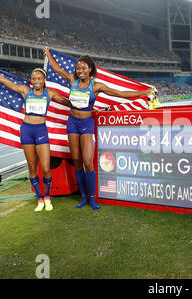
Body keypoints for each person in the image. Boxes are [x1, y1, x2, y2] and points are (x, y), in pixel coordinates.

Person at [43, 47, 153, 210]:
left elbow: (120, 94)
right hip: (72, 123)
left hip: (86, 124)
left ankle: (93, 199)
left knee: (88, 161)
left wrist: (145, 91)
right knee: (78, 161)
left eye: (83, 68)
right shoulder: (73, 80)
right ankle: (83, 198)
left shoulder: (96, 86)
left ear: (90, 70)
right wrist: (48, 54)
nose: (80, 71)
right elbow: (57, 69)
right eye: (78, 68)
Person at [0, 55, 70, 212]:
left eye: (39, 78)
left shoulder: (50, 94)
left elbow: (69, 102)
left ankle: (47, 197)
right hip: (26, 131)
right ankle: (39, 199)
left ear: (44, 80)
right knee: (32, 168)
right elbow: (4, 81)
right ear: (31, 80)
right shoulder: (26, 91)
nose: (36, 80)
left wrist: (86, 105)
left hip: (41, 131)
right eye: (34, 78)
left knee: (45, 168)